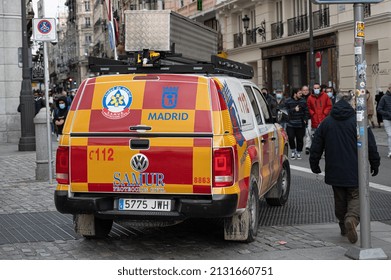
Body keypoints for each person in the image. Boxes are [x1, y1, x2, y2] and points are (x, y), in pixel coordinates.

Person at [309, 93, 380, 243]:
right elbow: (371, 145)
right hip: (356, 169)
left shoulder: (326, 123)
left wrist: (314, 164)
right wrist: (375, 162)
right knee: (356, 197)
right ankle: (352, 219)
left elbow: (316, 146)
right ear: (350, 104)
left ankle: (343, 225)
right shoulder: (358, 121)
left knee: (339, 199)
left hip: (334, 170)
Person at [307, 82, 332, 152]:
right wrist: (313, 114)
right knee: (316, 137)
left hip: (324, 119)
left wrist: (325, 113)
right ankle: (317, 150)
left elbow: (329, 105)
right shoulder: (310, 98)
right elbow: (308, 107)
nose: (316, 89)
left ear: (320, 88)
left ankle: (325, 150)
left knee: (325, 136)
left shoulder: (325, 96)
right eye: (315, 88)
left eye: (317, 88)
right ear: (313, 89)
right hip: (314, 120)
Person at [284, 88, 309, 160]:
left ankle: (298, 152)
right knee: (291, 137)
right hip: (290, 124)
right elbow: (285, 111)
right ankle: (293, 150)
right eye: (299, 93)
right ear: (295, 94)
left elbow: (306, 111)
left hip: (300, 124)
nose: (301, 95)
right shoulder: (288, 101)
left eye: (301, 93)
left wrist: (305, 119)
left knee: (300, 139)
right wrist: (294, 109)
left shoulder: (303, 101)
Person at [377, 84, 391, 158]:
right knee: (390, 135)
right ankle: (390, 151)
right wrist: (387, 113)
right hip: (387, 119)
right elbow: (379, 109)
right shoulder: (384, 97)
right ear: (389, 88)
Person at [301, 85, 312, 154]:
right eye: (304, 90)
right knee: (303, 133)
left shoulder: (311, 97)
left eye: (306, 90)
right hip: (300, 118)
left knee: (309, 132)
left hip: (309, 117)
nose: (305, 91)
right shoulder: (299, 98)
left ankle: (308, 147)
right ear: (302, 91)